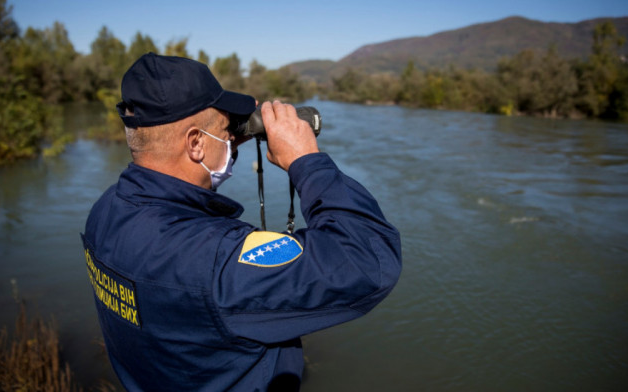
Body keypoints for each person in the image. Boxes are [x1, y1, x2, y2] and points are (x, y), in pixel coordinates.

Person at [81, 53, 402, 392]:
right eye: (226, 130)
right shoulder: (217, 261)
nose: (233, 138)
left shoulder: (104, 212)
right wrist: (307, 161)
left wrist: (221, 138)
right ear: (195, 143)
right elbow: (369, 257)